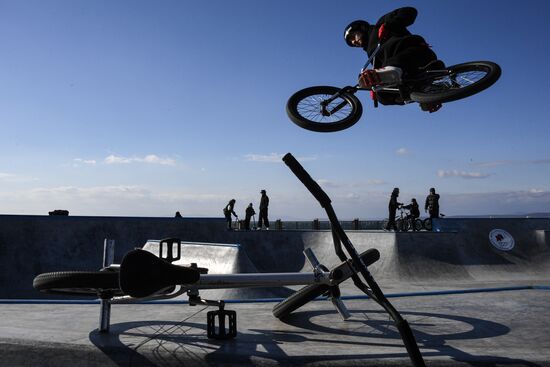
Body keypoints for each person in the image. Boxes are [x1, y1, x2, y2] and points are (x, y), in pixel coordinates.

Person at [344, 7, 443, 113]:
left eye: (352, 37)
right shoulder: (372, 54)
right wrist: (375, 84)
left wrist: (391, 24)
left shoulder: (380, 26)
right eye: (351, 42)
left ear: (361, 28)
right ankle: (422, 96)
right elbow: (382, 68)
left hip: (416, 54)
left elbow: (410, 11)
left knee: (396, 62)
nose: (354, 42)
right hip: (408, 73)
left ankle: (395, 72)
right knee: (381, 95)